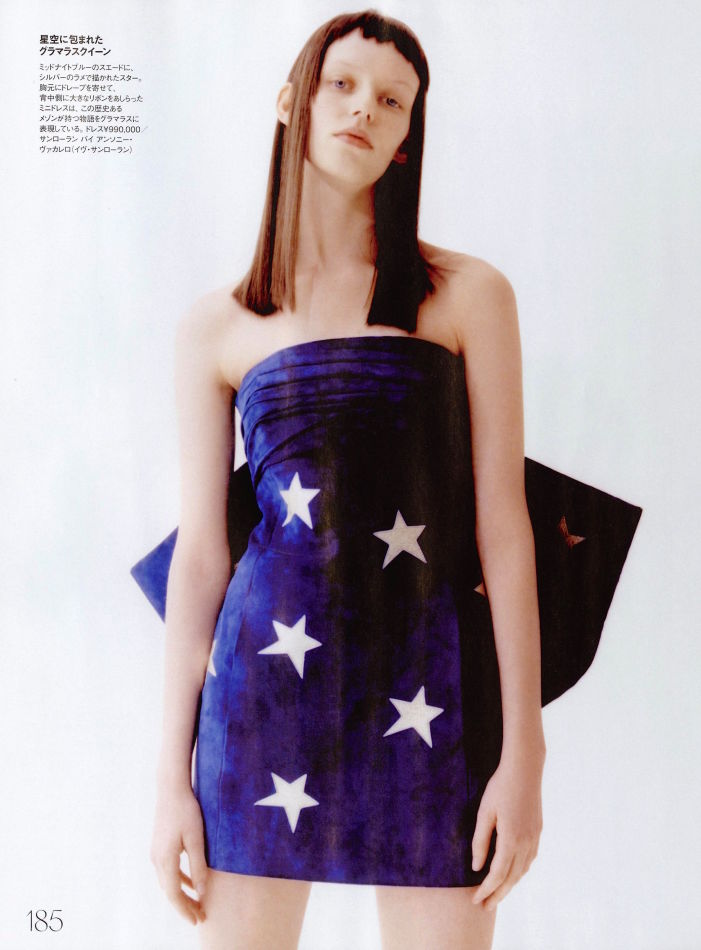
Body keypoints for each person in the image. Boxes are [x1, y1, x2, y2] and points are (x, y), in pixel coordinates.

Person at [150, 11, 545, 949]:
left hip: (431, 695)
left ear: (407, 137)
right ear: (292, 101)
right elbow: (201, 557)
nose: (365, 108)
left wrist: (524, 750)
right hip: (262, 699)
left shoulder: (467, 296)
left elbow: (504, 529)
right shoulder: (215, 327)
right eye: (343, 84)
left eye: (393, 101)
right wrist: (169, 778)